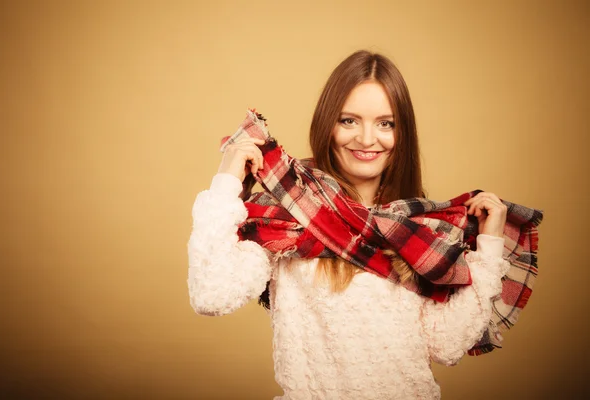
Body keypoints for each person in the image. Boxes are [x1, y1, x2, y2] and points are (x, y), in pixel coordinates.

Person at [187, 50, 514, 399]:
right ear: (327, 123)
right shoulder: (289, 210)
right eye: (349, 121)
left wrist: (490, 245)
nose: (367, 139)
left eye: (385, 123)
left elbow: (447, 344)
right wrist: (227, 180)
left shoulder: (416, 227)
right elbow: (211, 294)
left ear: (402, 133)